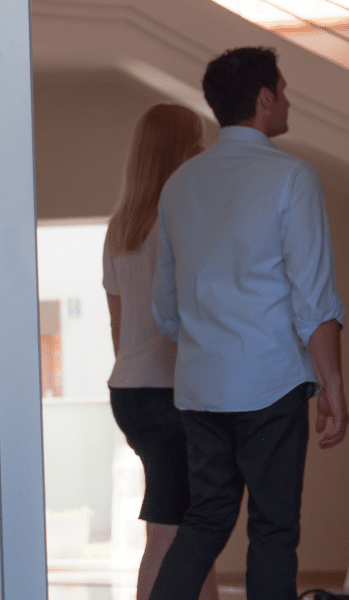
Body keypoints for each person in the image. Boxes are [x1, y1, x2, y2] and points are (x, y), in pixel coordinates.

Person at [149, 47, 347, 600]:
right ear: (263, 101)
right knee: (273, 528)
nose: (287, 101)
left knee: (205, 521)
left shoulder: (179, 186)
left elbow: (165, 308)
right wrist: (333, 384)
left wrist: (209, 348)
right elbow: (313, 301)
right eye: (282, 91)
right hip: (270, 385)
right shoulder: (292, 177)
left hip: (199, 388)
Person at [103, 104, 218, 600]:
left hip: (130, 391)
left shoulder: (120, 227)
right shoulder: (177, 220)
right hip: (170, 392)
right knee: (173, 530)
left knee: (189, 526)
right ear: (181, 151)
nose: (203, 153)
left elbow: (117, 321)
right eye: (196, 144)